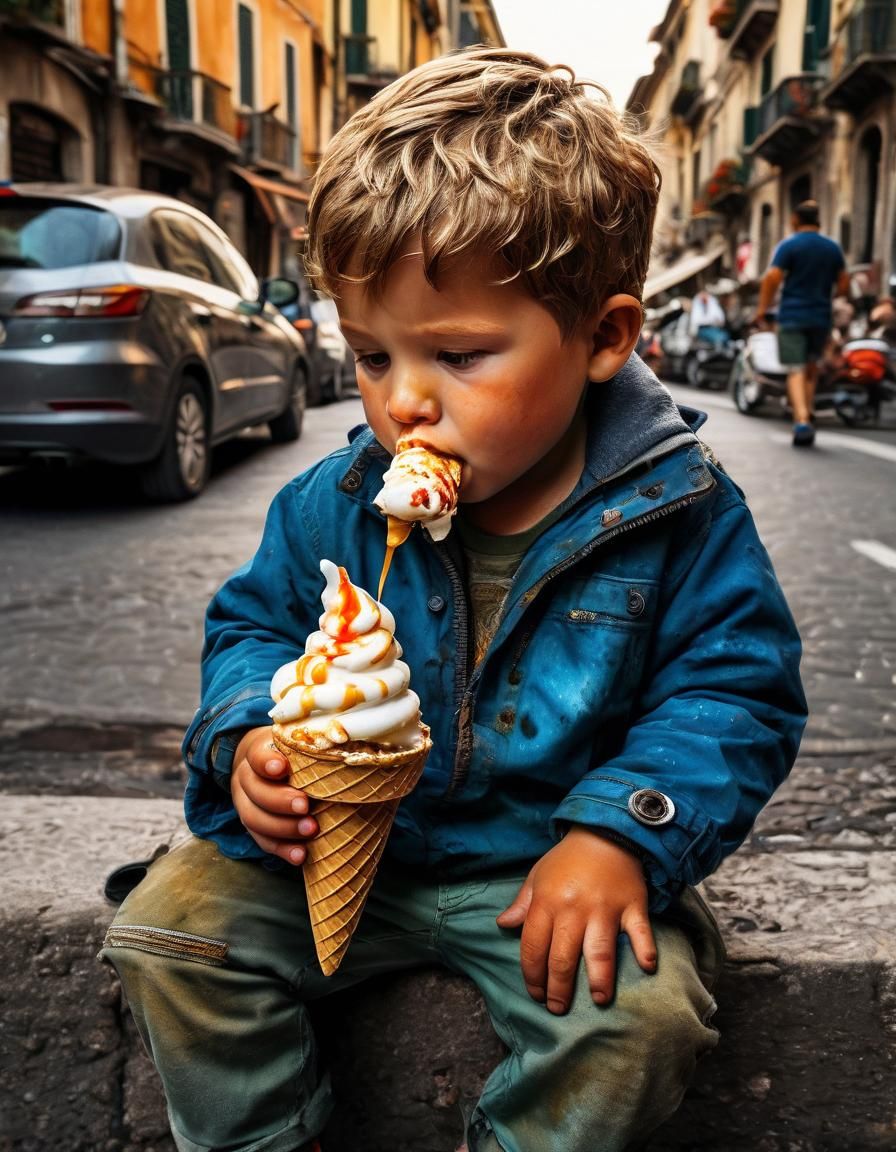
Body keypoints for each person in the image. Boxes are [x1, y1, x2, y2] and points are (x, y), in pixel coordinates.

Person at [102, 48, 807, 1152]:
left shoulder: (680, 513)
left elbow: (735, 693)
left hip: (543, 865)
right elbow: (252, 629)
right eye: (372, 356)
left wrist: (621, 836)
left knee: (640, 1023)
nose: (404, 403)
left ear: (603, 340)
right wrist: (246, 737)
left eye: (460, 355)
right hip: (332, 850)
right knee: (168, 938)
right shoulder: (324, 504)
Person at [753, 200, 850, 446]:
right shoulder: (832, 248)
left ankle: (802, 420)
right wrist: (832, 297)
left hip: (794, 316)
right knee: (811, 367)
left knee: (795, 368)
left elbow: (773, 276)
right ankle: (808, 410)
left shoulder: (790, 245)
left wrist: (763, 309)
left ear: (795, 219)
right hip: (821, 317)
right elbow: (844, 283)